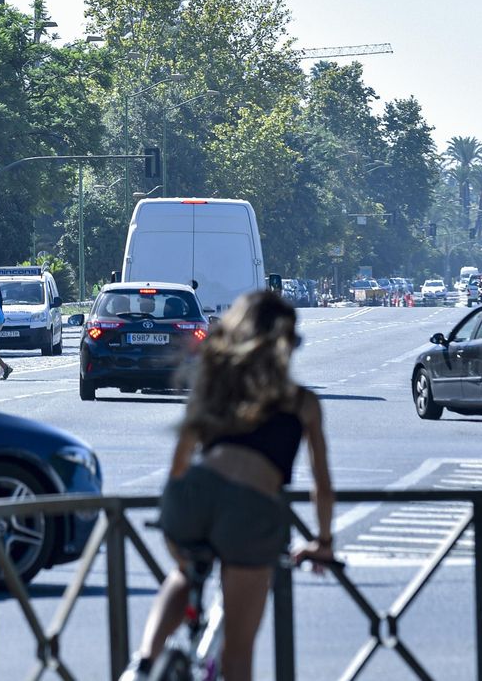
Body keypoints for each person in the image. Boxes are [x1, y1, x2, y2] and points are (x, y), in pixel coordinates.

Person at [127, 291, 334, 681]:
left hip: (192, 495)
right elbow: (322, 485)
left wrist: (176, 506)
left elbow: (180, 461)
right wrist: (323, 542)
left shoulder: (215, 388)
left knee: (186, 571)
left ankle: (143, 663)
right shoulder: (301, 402)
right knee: (238, 655)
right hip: (251, 511)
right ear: (286, 344)